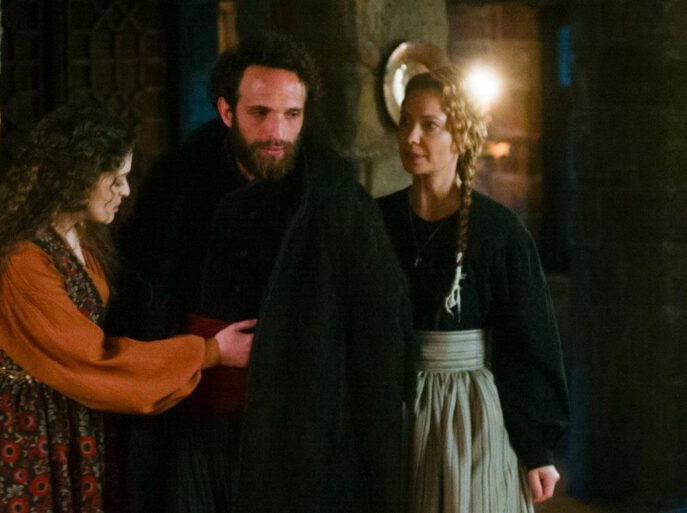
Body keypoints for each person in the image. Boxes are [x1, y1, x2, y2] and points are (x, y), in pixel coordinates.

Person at [110, 31, 410, 513]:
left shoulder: (336, 200)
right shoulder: (176, 185)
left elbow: (377, 336)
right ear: (227, 111)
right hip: (188, 425)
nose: (277, 133)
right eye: (260, 113)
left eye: (292, 115)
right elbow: (137, 300)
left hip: (291, 438)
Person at [0, 105, 255, 513]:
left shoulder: (79, 236)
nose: (124, 191)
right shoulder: (22, 260)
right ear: (75, 177)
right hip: (25, 426)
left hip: (68, 415)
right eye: (114, 179)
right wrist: (208, 351)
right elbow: (91, 359)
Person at [377, 66, 570, 513]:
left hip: (471, 418)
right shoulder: (376, 222)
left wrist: (537, 448)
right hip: (394, 409)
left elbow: (528, 344)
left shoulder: (498, 231)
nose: (411, 137)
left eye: (430, 125)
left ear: (460, 137)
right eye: (406, 122)